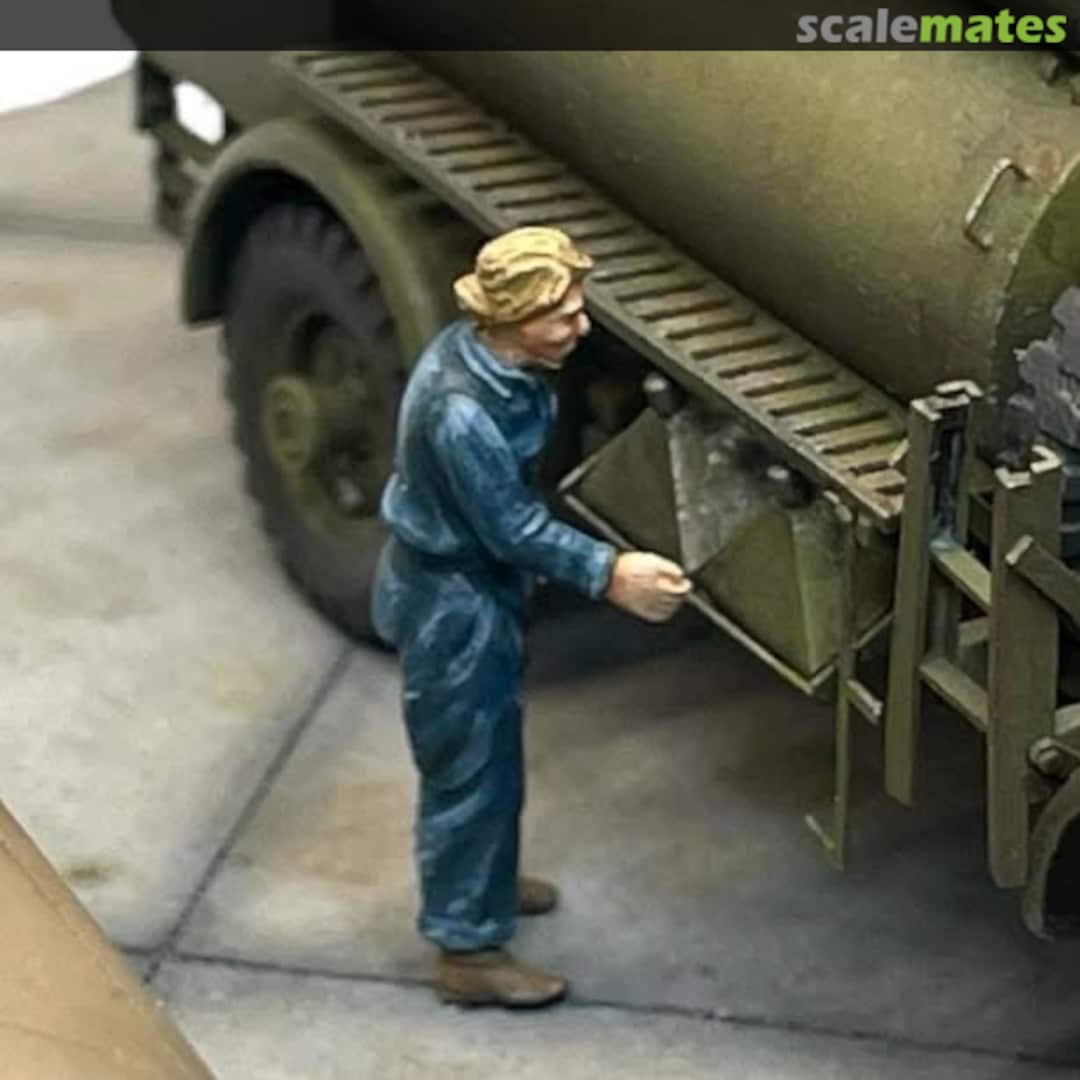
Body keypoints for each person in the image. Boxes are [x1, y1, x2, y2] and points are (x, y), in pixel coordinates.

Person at [371, 226, 690, 1008]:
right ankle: (467, 950)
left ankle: (482, 883)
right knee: (469, 774)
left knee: (493, 761)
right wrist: (610, 572)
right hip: (453, 605)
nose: (581, 326)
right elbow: (511, 527)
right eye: (564, 315)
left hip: (477, 590)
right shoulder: (461, 414)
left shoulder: (490, 364)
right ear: (513, 319)